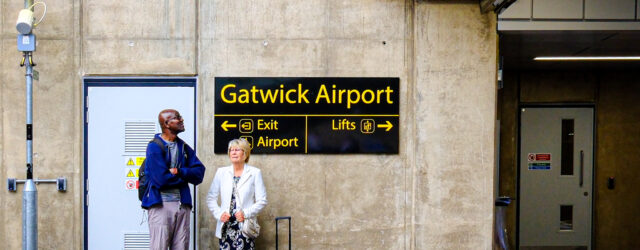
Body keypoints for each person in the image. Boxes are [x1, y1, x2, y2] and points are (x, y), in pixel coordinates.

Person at [141, 109, 206, 250]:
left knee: (182, 247)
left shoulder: (183, 146)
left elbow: (199, 173)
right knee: (160, 247)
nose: (182, 120)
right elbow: (161, 180)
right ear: (167, 124)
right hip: (161, 206)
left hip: (182, 206)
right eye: (177, 118)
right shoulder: (154, 147)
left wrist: (179, 171)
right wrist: (185, 177)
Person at [207, 138, 267, 250]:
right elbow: (210, 198)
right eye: (231, 150)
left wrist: (245, 213)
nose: (233, 152)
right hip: (226, 225)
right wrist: (219, 214)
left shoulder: (254, 173)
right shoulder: (221, 172)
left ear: (245, 153)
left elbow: (262, 200)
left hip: (244, 226)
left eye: (237, 150)